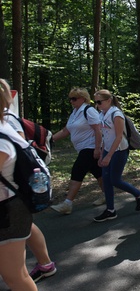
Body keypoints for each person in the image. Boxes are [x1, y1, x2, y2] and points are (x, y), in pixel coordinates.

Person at [0, 79, 56, 286]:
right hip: (11, 207)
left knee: (14, 275)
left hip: (8, 211)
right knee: (14, 273)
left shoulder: (2, 135)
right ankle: (46, 264)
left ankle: (46, 264)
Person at [93, 89, 140, 222]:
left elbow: (118, 137)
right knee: (106, 181)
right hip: (107, 150)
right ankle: (110, 210)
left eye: (99, 102)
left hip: (119, 150)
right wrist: (102, 153)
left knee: (115, 180)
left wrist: (108, 156)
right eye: (95, 102)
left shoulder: (116, 114)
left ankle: (139, 194)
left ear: (108, 100)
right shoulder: (102, 114)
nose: (97, 105)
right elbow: (105, 136)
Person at [50, 88, 104, 214]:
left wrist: (97, 148)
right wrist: (49, 139)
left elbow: (98, 130)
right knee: (99, 173)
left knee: (77, 171)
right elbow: (66, 131)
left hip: (90, 147)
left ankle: (67, 204)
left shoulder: (89, 110)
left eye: (74, 98)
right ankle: (108, 194)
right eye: (70, 99)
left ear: (83, 98)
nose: (71, 101)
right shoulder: (75, 112)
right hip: (82, 149)